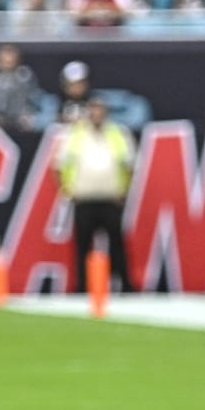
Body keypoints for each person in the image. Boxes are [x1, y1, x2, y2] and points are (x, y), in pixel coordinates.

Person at [57, 99, 137, 294]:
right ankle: (83, 287)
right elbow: (59, 164)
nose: (97, 113)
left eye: (100, 108)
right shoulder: (75, 134)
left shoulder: (118, 133)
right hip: (84, 198)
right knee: (83, 246)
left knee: (117, 244)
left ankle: (125, 285)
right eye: (93, 108)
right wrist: (67, 188)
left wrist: (124, 189)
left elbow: (129, 165)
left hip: (110, 197)